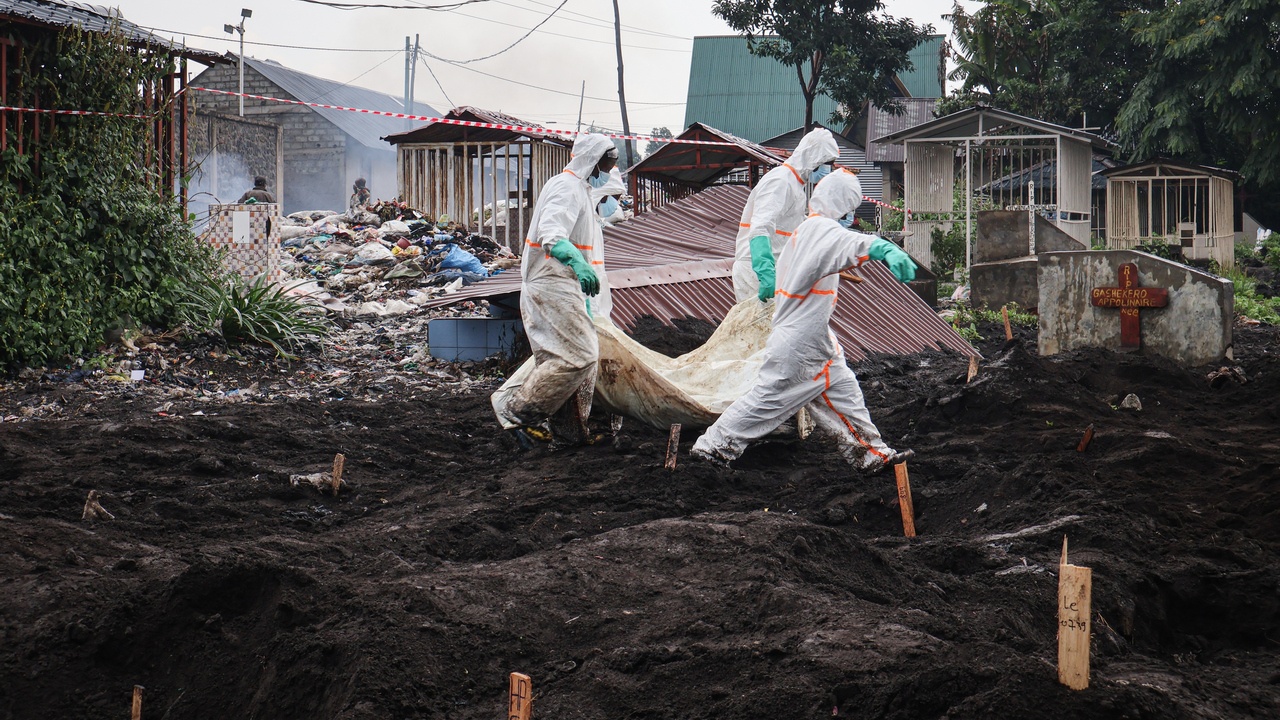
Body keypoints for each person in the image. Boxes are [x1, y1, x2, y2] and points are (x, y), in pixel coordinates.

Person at [692, 169, 918, 473]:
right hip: (799, 344)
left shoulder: (807, 230)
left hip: (813, 338)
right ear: (843, 204)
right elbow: (849, 245)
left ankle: (872, 454)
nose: (851, 215)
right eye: (851, 206)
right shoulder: (822, 231)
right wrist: (883, 247)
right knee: (767, 401)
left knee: (844, 391)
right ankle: (711, 448)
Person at [491, 133, 619, 439]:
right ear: (592, 160)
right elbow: (551, 233)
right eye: (606, 163)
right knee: (580, 355)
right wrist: (576, 262)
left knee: (567, 361)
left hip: (561, 285)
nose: (608, 170)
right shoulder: (566, 188)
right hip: (551, 284)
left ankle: (567, 435)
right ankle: (519, 411)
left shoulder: (580, 190)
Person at [733, 127, 841, 303]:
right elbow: (760, 227)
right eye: (827, 163)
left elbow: (793, 228)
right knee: (762, 330)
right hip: (757, 273)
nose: (828, 169)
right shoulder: (780, 181)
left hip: (774, 270)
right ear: (813, 158)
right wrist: (765, 272)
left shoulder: (795, 185)